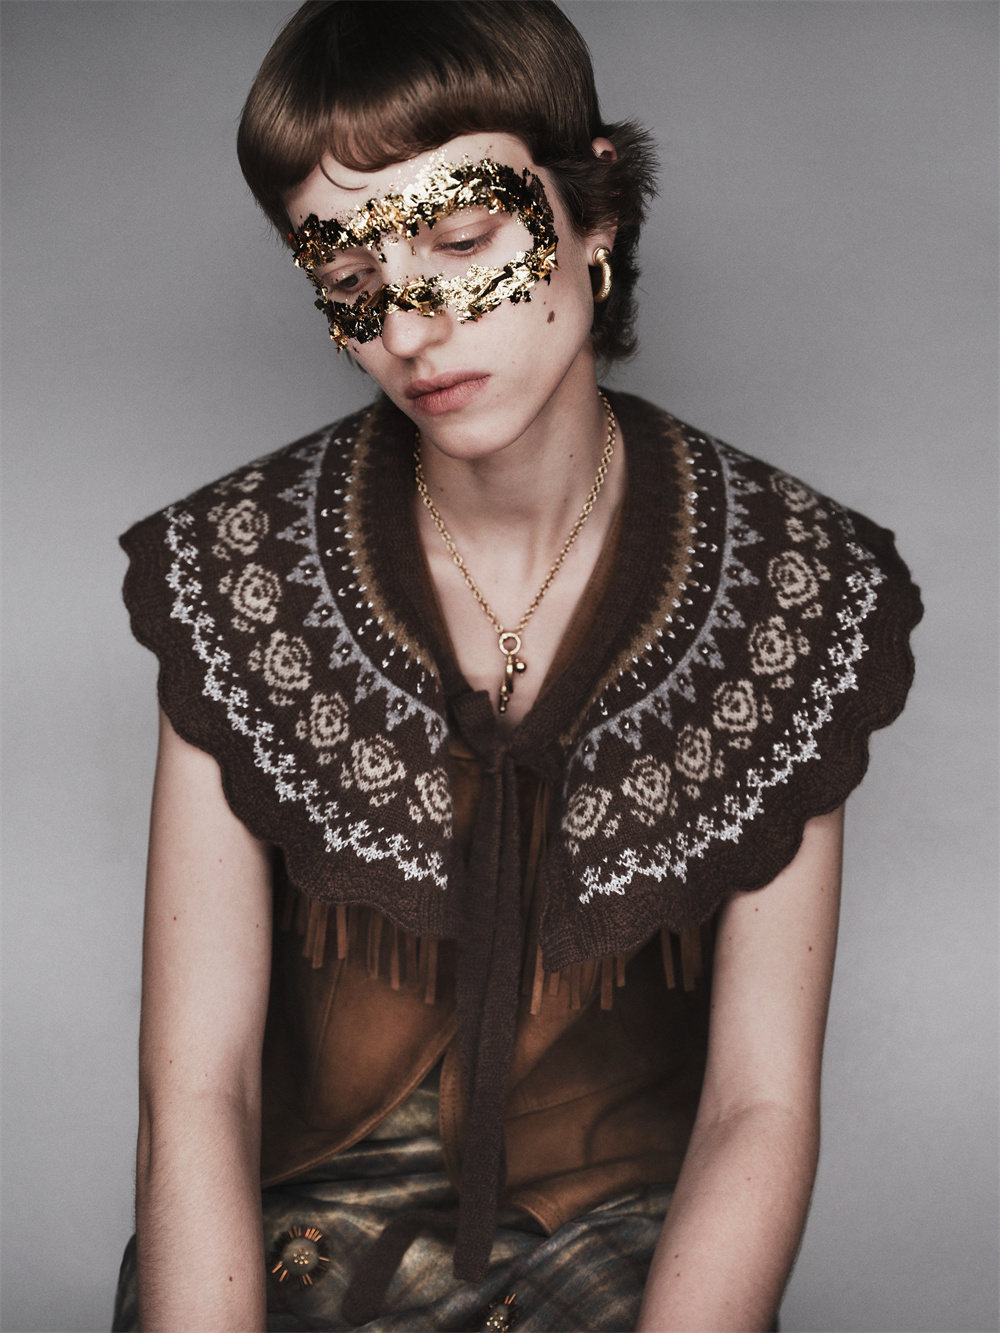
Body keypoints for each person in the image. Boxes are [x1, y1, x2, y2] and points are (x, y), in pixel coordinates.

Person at [112, 3, 921, 1329]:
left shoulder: (792, 584)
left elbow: (760, 1104)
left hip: (621, 1254)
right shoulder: (234, 573)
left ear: (595, 214)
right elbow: (195, 1091)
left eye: (461, 240)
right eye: (349, 276)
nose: (409, 328)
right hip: (296, 1244)